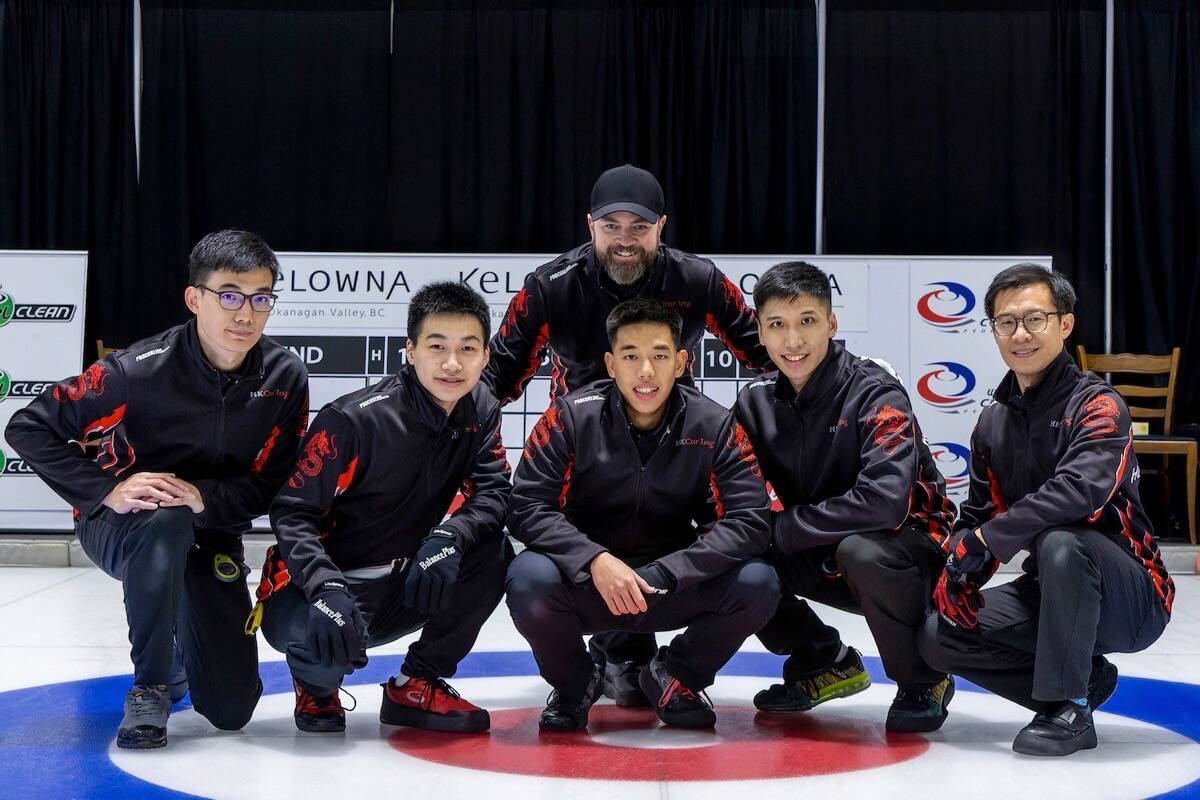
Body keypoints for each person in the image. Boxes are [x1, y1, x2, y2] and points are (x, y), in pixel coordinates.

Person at [6, 230, 309, 749]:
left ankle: (182, 655)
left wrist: (204, 498)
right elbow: (28, 427)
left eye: (261, 299)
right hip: (121, 526)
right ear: (195, 298)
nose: (245, 315)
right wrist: (106, 490)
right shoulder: (135, 372)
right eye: (230, 296)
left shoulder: (284, 375)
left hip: (210, 533)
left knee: (231, 710)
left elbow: (272, 484)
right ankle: (150, 685)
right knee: (165, 519)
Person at [486, 164, 773, 705]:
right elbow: (498, 375)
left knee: (753, 560)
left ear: (661, 226)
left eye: (637, 227)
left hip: (671, 455)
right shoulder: (549, 288)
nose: (624, 239)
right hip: (582, 457)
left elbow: (767, 351)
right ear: (589, 225)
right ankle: (602, 667)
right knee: (550, 564)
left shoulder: (698, 279)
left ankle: (663, 663)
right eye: (610, 225)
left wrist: (840, 384)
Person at [918, 263, 1174, 756]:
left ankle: (1070, 708)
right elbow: (979, 513)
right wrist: (958, 563)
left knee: (1063, 541)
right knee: (940, 633)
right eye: (1006, 322)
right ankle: (1086, 681)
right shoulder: (993, 422)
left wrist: (988, 541)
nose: (1021, 334)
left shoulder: (1098, 404)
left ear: (1065, 324)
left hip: (1132, 596)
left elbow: (1080, 491)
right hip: (1052, 589)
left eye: (1035, 319)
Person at [505, 298, 779, 731]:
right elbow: (525, 506)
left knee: (759, 581)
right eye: (631, 356)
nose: (646, 370)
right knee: (529, 578)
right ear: (611, 364)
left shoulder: (715, 425)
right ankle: (575, 685)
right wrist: (593, 560)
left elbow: (750, 520)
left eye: (660, 355)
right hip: (593, 582)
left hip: (669, 583)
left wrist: (671, 571)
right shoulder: (570, 417)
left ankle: (676, 675)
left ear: (681, 362)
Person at [256, 281, 511, 734]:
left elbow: (494, 493)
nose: (452, 363)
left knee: (494, 553)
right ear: (410, 351)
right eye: (437, 347)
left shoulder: (482, 408)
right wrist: (324, 587)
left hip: (403, 583)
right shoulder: (354, 419)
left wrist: (450, 537)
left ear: (485, 356)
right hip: (317, 591)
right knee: (319, 658)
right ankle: (316, 687)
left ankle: (417, 681)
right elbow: (293, 515)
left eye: (468, 348)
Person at [735, 261, 957, 732]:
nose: (793, 342)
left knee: (860, 549)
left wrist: (783, 530)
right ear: (760, 330)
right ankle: (824, 659)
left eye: (807, 322)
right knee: (735, 550)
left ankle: (924, 678)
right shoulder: (754, 401)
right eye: (778, 325)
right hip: (824, 547)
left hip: (910, 552)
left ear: (832, 324)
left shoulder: (876, 391)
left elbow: (885, 503)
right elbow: (729, 486)